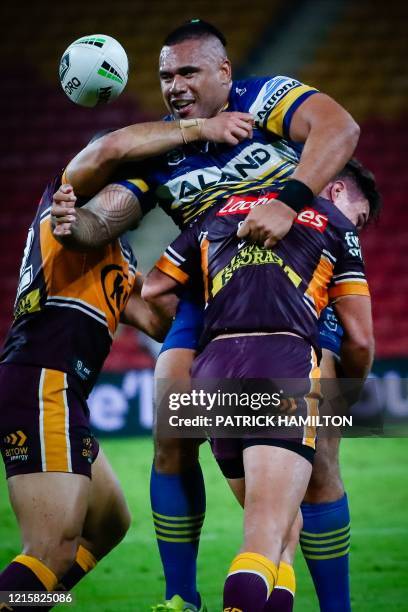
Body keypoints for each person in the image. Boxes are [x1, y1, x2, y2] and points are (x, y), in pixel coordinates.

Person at [50, 19, 361, 611]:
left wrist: (290, 202)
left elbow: (339, 127)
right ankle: (180, 597)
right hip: (207, 294)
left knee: (318, 463)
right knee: (172, 426)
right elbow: (102, 215)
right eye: (166, 75)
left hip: (293, 284)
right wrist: (77, 224)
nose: (175, 85)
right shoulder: (168, 144)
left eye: (188, 71)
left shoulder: (265, 98)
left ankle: (332, 604)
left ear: (224, 72)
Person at [144, 158, 378, 611]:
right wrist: (345, 395)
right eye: (360, 215)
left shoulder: (220, 210)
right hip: (283, 360)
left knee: (282, 535)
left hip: (212, 367)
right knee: (266, 537)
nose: (358, 225)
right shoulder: (333, 223)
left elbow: (153, 289)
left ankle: (178, 598)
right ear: (335, 191)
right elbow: (363, 340)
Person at [0, 168, 167, 612]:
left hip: (64, 388)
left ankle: (23, 604)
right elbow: (105, 156)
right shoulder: (72, 207)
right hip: (41, 377)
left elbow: (156, 321)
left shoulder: (117, 253)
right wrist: (194, 130)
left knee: (108, 523)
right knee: (50, 548)